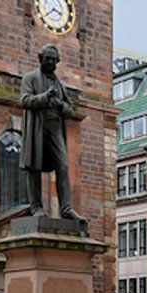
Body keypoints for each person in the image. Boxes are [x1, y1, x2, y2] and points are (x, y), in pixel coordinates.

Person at [20, 44, 85, 222]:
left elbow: (70, 111)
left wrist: (58, 104)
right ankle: (36, 207)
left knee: (63, 166)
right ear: (40, 58)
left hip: (55, 127)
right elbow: (25, 100)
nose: (50, 62)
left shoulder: (59, 84)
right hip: (37, 127)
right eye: (47, 58)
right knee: (34, 167)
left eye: (53, 59)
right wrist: (45, 97)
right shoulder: (30, 78)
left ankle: (66, 209)